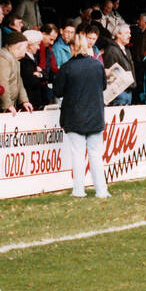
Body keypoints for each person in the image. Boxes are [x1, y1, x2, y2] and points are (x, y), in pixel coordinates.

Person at [53, 30, 110, 198]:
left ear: (72, 48)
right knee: (95, 154)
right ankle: (101, 190)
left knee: (77, 155)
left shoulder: (67, 67)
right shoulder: (97, 65)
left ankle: (79, 190)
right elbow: (104, 86)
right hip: (95, 114)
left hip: (74, 115)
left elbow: (58, 91)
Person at [0, 30, 33, 112]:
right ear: (18, 46)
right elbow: (3, 83)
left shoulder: (13, 58)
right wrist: (7, 105)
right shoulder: (2, 57)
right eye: (25, 47)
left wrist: (24, 100)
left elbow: (19, 82)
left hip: (9, 105)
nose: (26, 50)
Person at [101, 23, 136, 106]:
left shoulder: (126, 50)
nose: (129, 35)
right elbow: (109, 74)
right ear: (118, 34)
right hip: (118, 93)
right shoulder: (112, 50)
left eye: (130, 33)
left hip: (127, 91)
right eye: (127, 33)